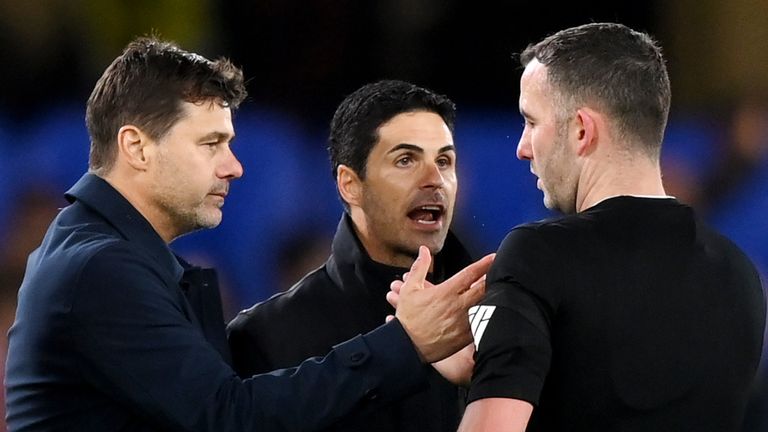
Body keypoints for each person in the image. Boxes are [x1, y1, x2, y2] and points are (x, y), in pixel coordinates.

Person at [4, 37, 494, 431]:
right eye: (211, 143)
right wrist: (406, 345)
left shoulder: (111, 255)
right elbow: (231, 415)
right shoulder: (101, 269)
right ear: (136, 146)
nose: (234, 166)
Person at [454, 23, 766, 431]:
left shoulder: (539, 254)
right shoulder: (739, 273)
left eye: (532, 122)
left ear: (582, 130)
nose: (522, 147)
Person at [228, 80, 473, 432]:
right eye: (406, 160)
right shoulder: (265, 336)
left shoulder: (500, 318)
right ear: (350, 185)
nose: (435, 179)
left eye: (445, 161)